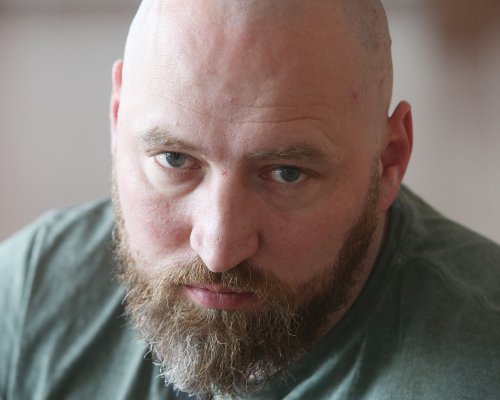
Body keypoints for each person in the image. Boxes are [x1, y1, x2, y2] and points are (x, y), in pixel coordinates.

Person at [1, 0, 499, 399]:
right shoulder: (32, 298)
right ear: (116, 119)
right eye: (174, 159)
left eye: (286, 173)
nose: (219, 249)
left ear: (388, 162)